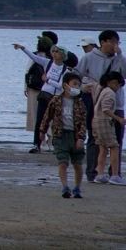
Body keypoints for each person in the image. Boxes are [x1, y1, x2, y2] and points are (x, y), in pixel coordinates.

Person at [76, 30, 122, 183]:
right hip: (94, 102)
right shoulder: (89, 57)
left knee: (117, 138)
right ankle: (93, 173)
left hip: (117, 102)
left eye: (117, 42)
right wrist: (83, 88)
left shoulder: (119, 58)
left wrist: (120, 56)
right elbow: (76, 76)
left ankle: (115, 173)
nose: (115, 45)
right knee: (95, 138)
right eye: (113, 42)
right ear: (103, 42)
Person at [45, 69, 91, 199]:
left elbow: (83, 121)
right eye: (74, 84)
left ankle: (77, 188)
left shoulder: (80, 103)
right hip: (60, 135)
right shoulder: (56, 100)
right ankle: (65, 187)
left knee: (77, 163)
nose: (76, 87)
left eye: (78, 84)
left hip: (75, 135)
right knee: (63, 162)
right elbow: (47, 117)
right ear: (65, 85)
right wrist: (42, 132)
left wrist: (81, 138)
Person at [95, 71, 121, 185]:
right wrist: (118, 119)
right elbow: (106, 109)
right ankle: (115, 175)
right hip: (104, 121)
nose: (118, 88)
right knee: (114, 147)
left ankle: (100, 174)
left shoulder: (103, 91)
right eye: (118, 85)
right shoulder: (110, 93)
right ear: (113, 83)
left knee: (103, 148)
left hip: (96, 121)